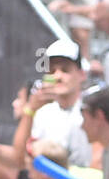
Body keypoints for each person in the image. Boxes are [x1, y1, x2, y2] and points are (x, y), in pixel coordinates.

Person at [14, 38, 93, 169]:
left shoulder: (92, 110)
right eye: (52, 71)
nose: (58, 76)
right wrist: (30, 110)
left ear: (82, 75)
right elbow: (19, 160)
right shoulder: (42, 113)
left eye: (65, 70)